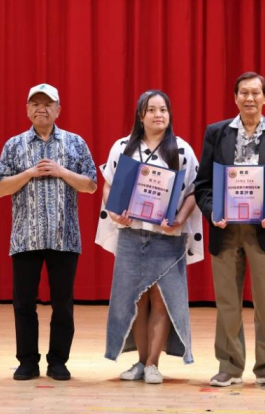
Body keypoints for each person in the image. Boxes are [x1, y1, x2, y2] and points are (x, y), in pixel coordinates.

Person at [194, 71, 265, 388]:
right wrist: (212, 212)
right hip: (226, 229)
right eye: (244, 93)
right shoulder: (217, 133)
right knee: (227, 301)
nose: (249, 98)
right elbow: (203, 185)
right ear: (235, 97)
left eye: (255, 93)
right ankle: (229, 365)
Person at [95, 90, 204, 384]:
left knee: (162, 300)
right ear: (140, 116)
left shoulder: (182, 150)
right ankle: (141, 362)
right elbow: (108, 184)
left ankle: (154, 363)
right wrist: (114, 212)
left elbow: (194, 190)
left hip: (167, 237)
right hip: (132, 235)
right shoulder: (123, 147)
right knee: (136, 299)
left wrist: (179, 220)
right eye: (152, 110)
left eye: (163, 110)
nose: (158, 115)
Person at [0, 83, 97, 381]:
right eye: (35, 104)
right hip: (25, 237)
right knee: (24, 304)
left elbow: (91, 185)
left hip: (65, 237)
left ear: (58, 109)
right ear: (27, 109)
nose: (41, 109)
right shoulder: (14, 145)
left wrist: (61, 171)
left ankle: (58, 362)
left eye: (47, 104)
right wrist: (29, 173)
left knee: (63, 304)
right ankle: (27, 362)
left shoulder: (75, 143)